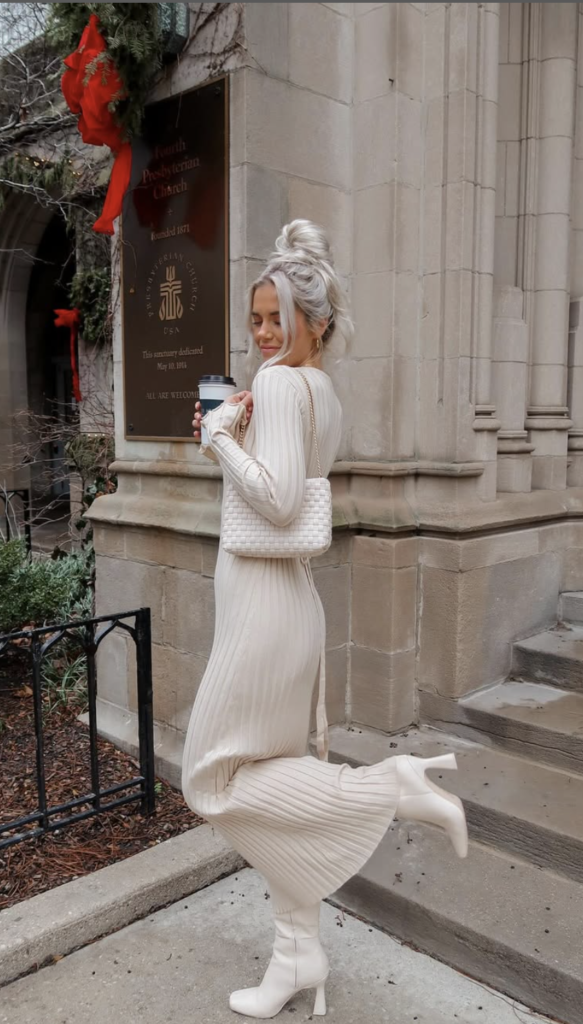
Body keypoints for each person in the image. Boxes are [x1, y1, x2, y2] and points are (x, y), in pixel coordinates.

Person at [181, 220, 467, 1020]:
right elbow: (292, 482)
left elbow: (272, 499)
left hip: (265, 604)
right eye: (257, 319)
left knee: (214, 776)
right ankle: (295, 954)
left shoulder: (276, 386)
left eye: (278, 318)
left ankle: (388, 784)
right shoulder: (321, 392)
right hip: (290, 605)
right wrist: (238, 435)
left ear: (318, 321)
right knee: (271, 779)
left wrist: (217, 440)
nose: (265, 334)